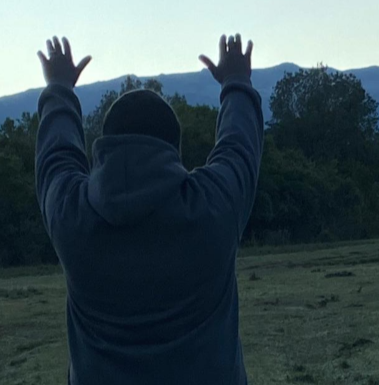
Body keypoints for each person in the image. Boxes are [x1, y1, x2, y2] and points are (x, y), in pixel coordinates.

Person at [36, 34, 264, 385]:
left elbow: (56, 155)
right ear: (174, 149)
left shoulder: (72, 216)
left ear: (104, 148)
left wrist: (59, 88)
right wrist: (236, 82)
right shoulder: (213, 209)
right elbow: (239, 145)